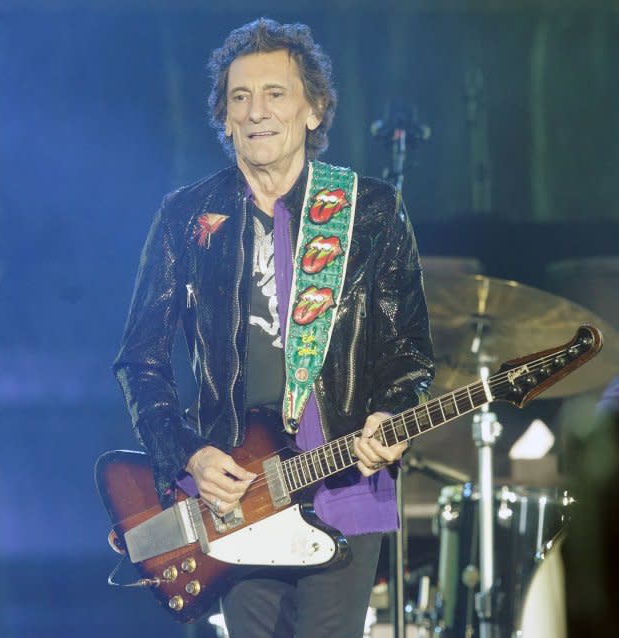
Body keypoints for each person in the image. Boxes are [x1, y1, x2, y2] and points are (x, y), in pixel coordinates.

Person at [113, 18, 434, 638]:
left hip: (344, 486)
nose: (257, 112)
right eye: (240, 98)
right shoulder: (186, 216)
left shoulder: (370, 211)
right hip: (240, 491)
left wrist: (392, 414)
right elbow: (140, 361)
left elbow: (409, 353)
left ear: (314, 110)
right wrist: (189, 453)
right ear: (225, 118)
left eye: (276, 94)